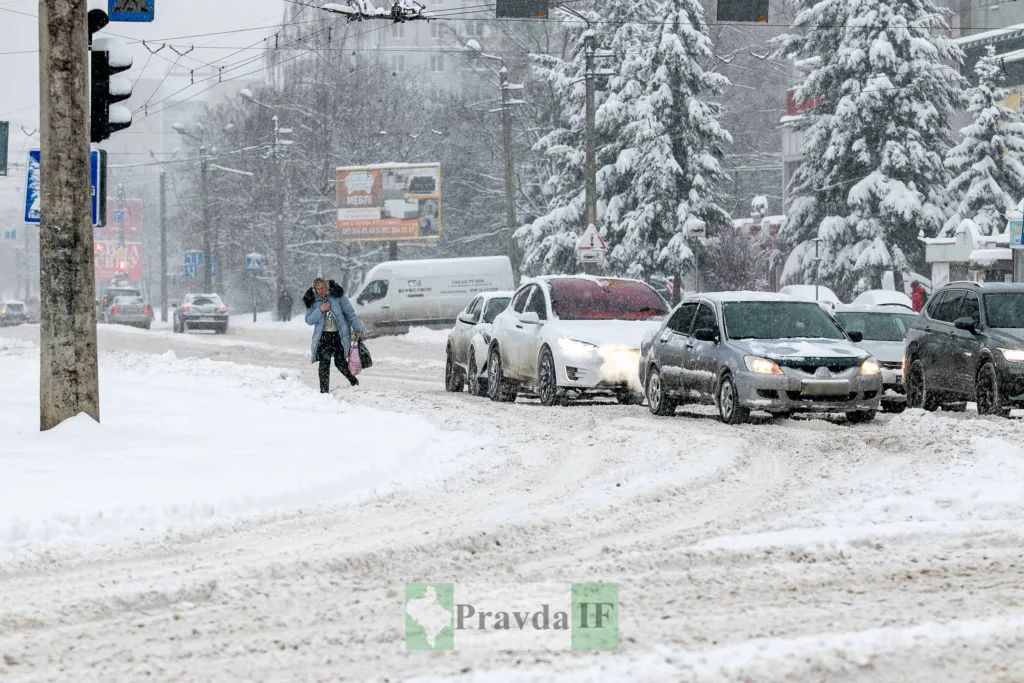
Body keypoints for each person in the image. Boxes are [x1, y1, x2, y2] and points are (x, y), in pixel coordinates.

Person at [304, 277, 362, 393]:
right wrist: (320, 310)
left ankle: (354, 381)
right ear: (314, 289)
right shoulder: (312, 300)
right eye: (318, 289)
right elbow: (309, 320)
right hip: (323, 337)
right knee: (324, 363)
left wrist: (357, 329)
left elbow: (350, 313)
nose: (321, 291)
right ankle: (324, 392)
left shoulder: (337, 296)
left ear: (327, 287)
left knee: (340, 363)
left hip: (339, 336)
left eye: (323, 288)